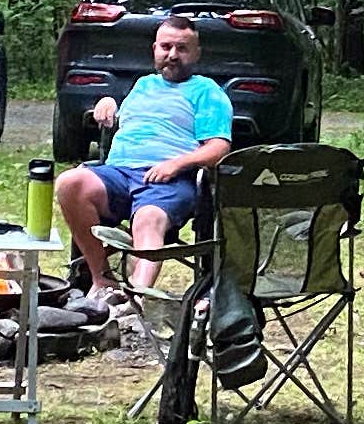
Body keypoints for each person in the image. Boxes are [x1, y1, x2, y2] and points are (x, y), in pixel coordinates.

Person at [58, 15, 236, 290]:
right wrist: (108, 103)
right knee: (70, 182)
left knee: (148, 218)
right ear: (155, 49)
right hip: (118, 173)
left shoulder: (207, 92)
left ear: (196, 54)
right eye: (166, 47)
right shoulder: (143, 85)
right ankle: (102, 281)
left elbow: (219, 147)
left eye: (182, 49)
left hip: (169, 180)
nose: (172, 55)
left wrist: (176, 164)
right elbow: (132, 118)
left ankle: (136, 299)